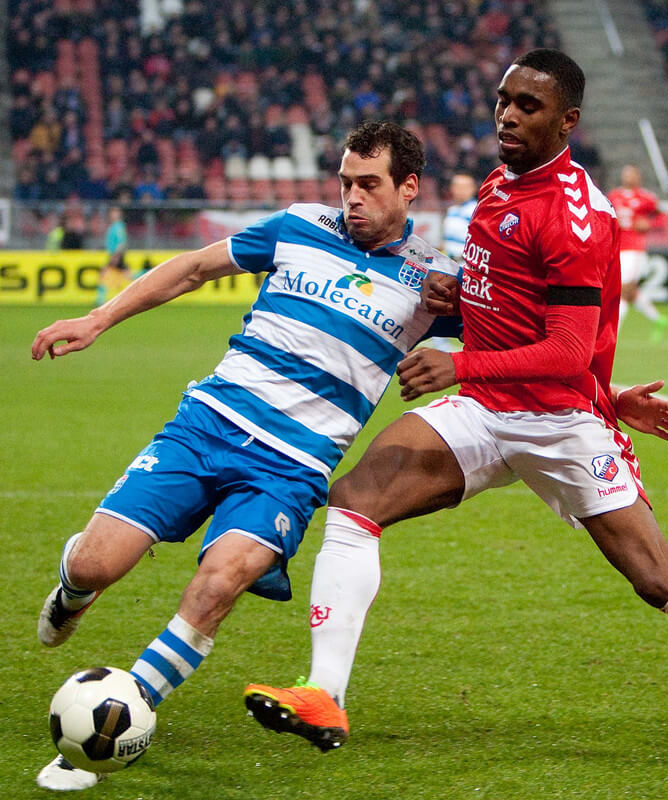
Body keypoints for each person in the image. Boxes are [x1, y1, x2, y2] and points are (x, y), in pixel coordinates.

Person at [244, 50, 668, 779]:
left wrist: (477, 366)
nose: (507, 115)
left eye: (528, 106)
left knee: (654, 577)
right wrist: (457, 299)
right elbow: (506, 305)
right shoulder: (497, 182)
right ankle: (325, 694)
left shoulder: (574, 217)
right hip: (486, 409)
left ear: (566, 120)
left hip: (557, 423)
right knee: (355, 502)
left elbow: (566, 350)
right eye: (503, 100)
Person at [30, 121, 463, 792]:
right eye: (345, 181)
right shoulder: (297, 226)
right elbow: (193, 267)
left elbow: (522, 334)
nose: (352, 196)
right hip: (207, 425)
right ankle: (72, 583)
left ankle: (111, 726)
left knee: (216, 586)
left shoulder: (436, 281)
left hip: (290, 468)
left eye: (369, 184)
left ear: (408, 187)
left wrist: (598, 390)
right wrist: (96, 319)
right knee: (96, 562)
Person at [607, 164, 668, 342]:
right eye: (625, 173)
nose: (628, 176)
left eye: (631, 173)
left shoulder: (645, 198)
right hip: (617, 248)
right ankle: (659, 319)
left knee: (623, 289)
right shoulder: (614, 196)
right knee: (630, 291)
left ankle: (613, 335)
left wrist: (650, 225)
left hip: (634, 249)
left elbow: (662, 217)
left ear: (638, 176)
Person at [431, 171, 479, 352]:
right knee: (441, 305)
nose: (459, 190)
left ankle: (472, 345)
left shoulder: (476, 210)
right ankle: (442, 346)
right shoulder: (451, 211)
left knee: (467, 309)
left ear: (473, 189)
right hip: (450, 265)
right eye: (456, 186)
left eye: (464, 186)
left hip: (467, 267)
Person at [96, 206, 130, 305]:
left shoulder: (119, 226)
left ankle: (100, 301)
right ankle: (100, 300)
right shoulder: (114, 226)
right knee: (127, 276)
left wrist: (116, 256)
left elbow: (122, 242)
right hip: (114, 255)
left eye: (115, 213)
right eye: (112, 213)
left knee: (103, 275)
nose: (113, 215)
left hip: (116, 255)